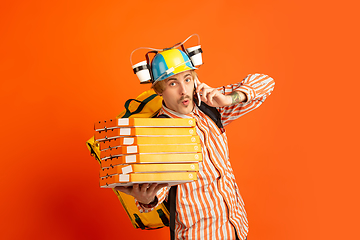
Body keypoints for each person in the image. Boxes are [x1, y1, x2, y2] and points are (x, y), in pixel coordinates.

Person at [115, 48, 275, 240]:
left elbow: (266, 83)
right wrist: (148, 200)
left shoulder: (211, 109)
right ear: (159, 90)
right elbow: (158, 190)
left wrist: (229, 99)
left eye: (188, 79)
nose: (184, 91)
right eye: (173, 83)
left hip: (237, 230)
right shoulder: (159, 135)